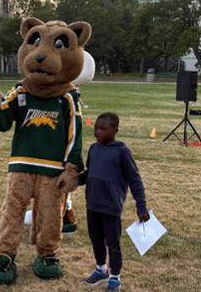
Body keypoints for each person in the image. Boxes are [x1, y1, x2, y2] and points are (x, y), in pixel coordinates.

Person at [79, 112, 149, 292]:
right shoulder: (94, 149)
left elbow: (135, 180)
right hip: (92, 205)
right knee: (96, 239)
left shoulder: (122, 152)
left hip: (111, 207)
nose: (98, 131)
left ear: (115, 130)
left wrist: (141, 206)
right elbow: (89, 173)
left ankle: (115, 277)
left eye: (103, 128)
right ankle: (101, 269)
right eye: (96, 127)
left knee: (113, 243)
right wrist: (73, 179)